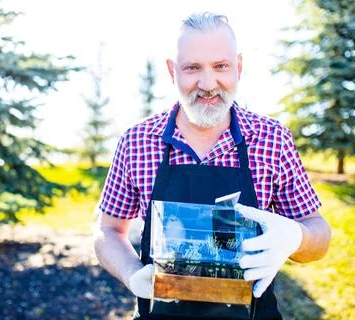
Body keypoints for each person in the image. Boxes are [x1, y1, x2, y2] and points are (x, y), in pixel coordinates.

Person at [93, 12, 331, 320]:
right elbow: (107, 229)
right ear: (172, 71)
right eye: (192, 68)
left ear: (239, 68)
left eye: (221, 66)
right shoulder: (137, 140)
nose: (207, 84)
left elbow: (319, 233)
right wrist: (131, 274)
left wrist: (297, 237)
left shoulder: (272, 139)